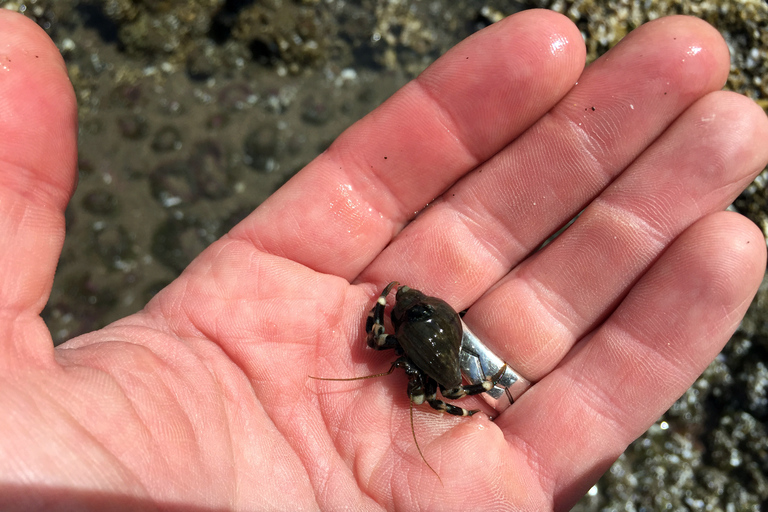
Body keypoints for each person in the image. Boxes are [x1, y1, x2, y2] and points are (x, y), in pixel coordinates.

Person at [0, 7, 766, 511]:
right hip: (429, 327)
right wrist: (417, 347)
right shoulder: (425, 367)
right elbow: (409, 360)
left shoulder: (410, 357)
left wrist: (400, 331)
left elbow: (391, 352)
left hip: (426, 327)